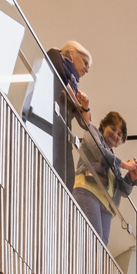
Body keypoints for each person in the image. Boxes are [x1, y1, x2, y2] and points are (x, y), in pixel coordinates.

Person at [73, 110, 137, 245]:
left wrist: (131, 178)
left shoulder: (114, 162)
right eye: (113, 129)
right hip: (88, 191)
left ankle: (89, 267)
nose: (115, 135)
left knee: (101, 249)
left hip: (107, 207)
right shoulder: (91, 131)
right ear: (104, 126)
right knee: (95, 240)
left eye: (119, 134)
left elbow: (123, 191)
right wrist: (124, 165)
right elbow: (100, 152)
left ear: (120, 141)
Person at [44, 39, 91, 189]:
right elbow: (59, 72)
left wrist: (85, 107)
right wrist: (75, 101)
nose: (86, 70)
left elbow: (85, 125)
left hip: (62, 135)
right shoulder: (54, 56)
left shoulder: (74, 88)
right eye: (85, 62)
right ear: (72, 53)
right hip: (47, 128)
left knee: (68, 181)